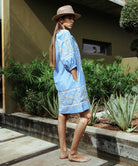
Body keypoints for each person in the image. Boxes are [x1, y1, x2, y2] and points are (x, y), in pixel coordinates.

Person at [50, 5, 91, 162]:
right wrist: (76, 78)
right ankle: (73, 153)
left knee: (63, 114)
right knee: (86, 116)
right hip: (73, 82)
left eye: (73, 17)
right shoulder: (66, 34)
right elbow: (68, 60)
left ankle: (63, 150)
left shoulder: (57, 36)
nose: (72, 20)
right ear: (61, 20)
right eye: (69, 17)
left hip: (62, 83)